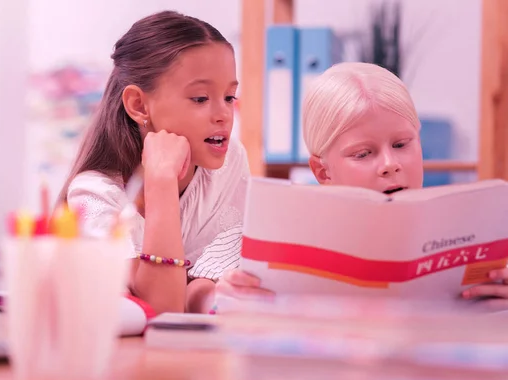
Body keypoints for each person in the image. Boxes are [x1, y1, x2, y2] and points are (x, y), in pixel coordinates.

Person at [216, 61, 508, 311]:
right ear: (323, 171)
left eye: (401, 144)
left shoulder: (474, 228)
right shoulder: (268, 241)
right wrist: (228, 297)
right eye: (364, 154)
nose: (389, 164)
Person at [57, 11, 249, 315]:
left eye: (229, 96)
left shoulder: (231, 163)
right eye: (200, 98)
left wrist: (208, 295)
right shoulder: (95, 195)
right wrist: (161, 182)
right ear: (138, 105)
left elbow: (206, 285)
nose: (224, 114)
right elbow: (160, 310)